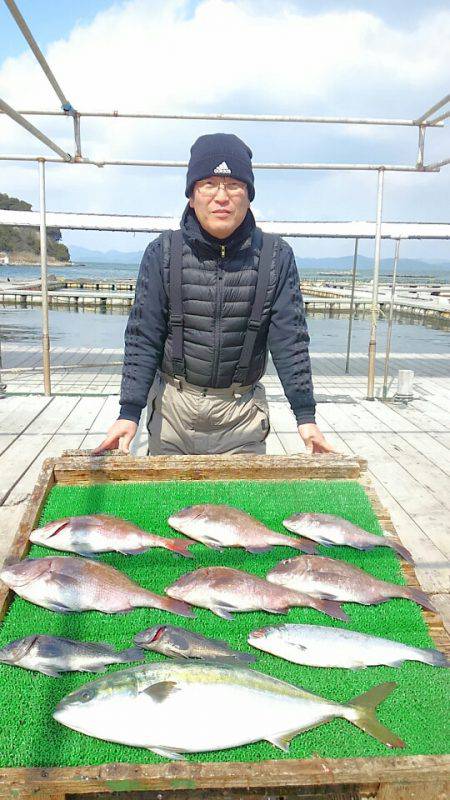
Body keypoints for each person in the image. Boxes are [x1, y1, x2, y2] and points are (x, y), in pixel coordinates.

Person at [94, 133, 334, 456]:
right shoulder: (162, 253)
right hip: (172, 414)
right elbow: (143, 336)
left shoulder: (277, 256)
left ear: (248, 196)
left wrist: (305, 416)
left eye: (234, 184)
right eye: (208, 183)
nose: (222, 196)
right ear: (192, 196)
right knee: (171, 507)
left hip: (242, 415)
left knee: (240, 508)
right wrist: (129, 411)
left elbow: (290, 341)